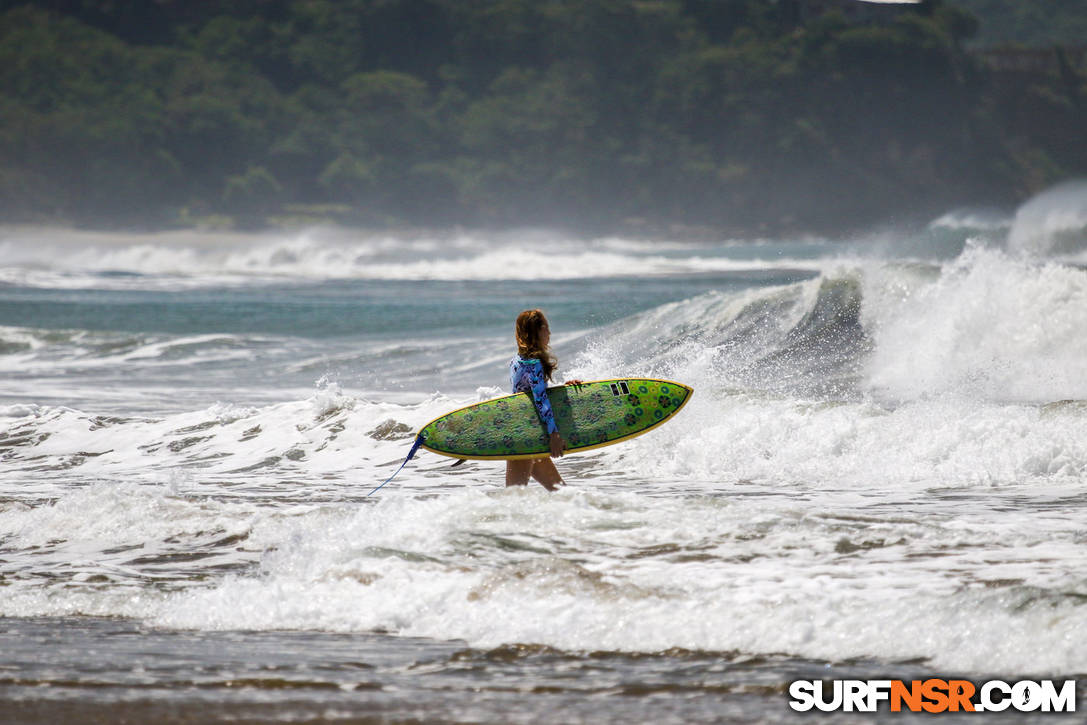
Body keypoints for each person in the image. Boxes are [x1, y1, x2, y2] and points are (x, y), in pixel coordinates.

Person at [506, 309, 581, 490]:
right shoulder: (534, 364)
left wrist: (563, 389)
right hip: (524, 438)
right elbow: (540, 400)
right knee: (513, 499)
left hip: (526, 430)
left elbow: (531, 395)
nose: (550, 333)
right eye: (546, 328)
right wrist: (554, 434)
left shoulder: (517, 360)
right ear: (537, 331)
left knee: (561, 491)